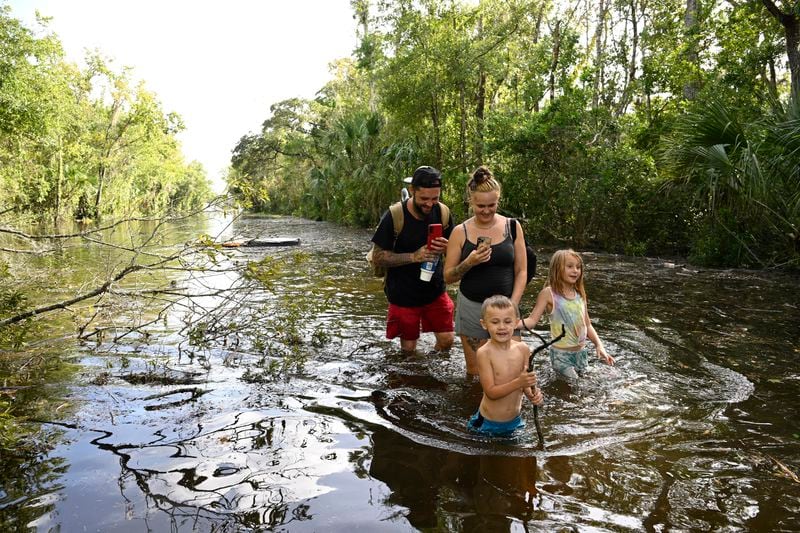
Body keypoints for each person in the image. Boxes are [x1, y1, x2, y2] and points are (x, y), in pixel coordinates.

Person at [444, 166, 527, 374]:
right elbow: (448, 277)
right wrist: (469, 262)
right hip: (472, 307)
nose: (487, 210)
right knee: (476, 372)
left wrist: (513, 307)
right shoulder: (459, 232)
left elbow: (521, 271)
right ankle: (476, 407)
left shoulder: (513, 227)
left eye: (492, 205)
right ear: (471, 201)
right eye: (481, 206)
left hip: (507, 308)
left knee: (513, 369)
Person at [371, 166, 455, 354]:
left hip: (435, 289)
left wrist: (447, 247)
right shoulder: (395, 216)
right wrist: (413, 257)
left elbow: (456, 249)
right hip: (402, 293)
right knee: (408, 350)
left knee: (447, 340)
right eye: (424, 199)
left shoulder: (443, 213)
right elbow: (377, 257)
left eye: (435, 198)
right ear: (412, 191)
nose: (430, 204)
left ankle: (434, 376)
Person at [519, 249, 615, 380]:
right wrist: (510, 324)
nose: (575, 270)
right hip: (561, 355)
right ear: (557, 269)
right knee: (576, 385)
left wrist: (599, 345)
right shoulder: (549, 293)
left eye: (578, 267)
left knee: (587, 383)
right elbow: (532, 320)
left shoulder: (580, 293)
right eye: (570, 266)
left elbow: (587, 324)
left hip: (581, 353)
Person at [467, 295, 543, 437]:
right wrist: (519, 382)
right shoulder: (484, 353)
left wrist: (533, 394)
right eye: (495, 322)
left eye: (507, 321)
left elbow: (524, 383)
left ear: (516, 323)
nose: (502, 327)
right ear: (484, 324)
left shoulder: (523, 349)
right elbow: (491, 392)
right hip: (488, 424)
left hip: (515, 421)